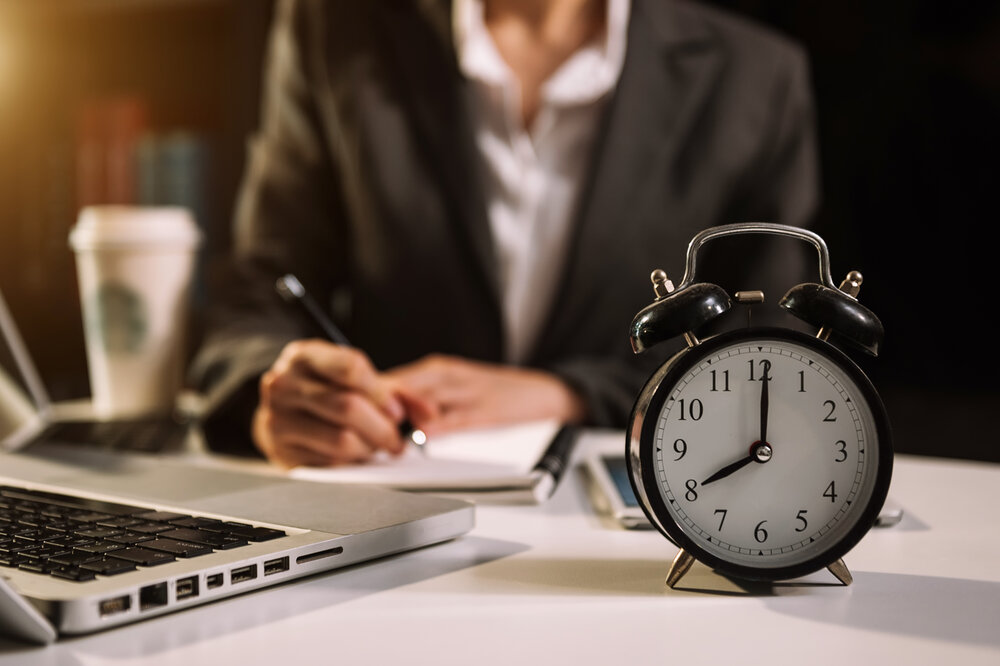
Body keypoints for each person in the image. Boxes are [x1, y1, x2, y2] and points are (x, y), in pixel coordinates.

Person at [190, 0, 819, 468]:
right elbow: (256, 299)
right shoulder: (336, 29)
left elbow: (772, 351)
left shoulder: (755, 80)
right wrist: (275, 397)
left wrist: (568, 395)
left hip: (636, 533)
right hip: (386, 512)